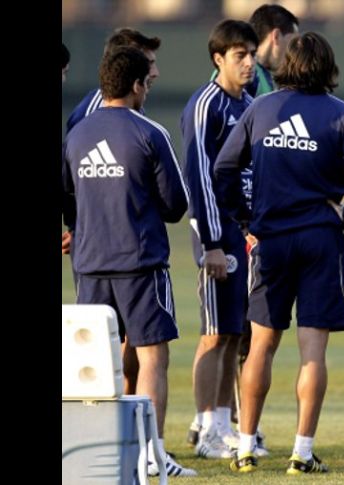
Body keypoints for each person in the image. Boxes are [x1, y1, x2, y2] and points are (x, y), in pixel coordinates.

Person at [214, 32, 344, 475]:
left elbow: (224, 167)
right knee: (313, 353)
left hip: (270, 241)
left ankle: (246, 447)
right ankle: (302, 453)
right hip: (321, 242)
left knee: (260, 348)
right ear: (328, 66)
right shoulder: (341, 113)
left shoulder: (261, 108)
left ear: (287, 64)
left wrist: (244, 217)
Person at [61, 46, 196, 477]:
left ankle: (96, 452)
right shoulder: (149, 132)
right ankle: (154, 455)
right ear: (137, 86)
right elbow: (176, 204)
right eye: (147, 83)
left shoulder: (77, 134)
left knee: (98, 366)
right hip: (140, 264)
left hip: (89, 264)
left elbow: (66, 195)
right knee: (153, 357)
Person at [62, 29, 162, 396]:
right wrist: (75, 224)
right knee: (103, 350)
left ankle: (130, 422)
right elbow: (73, 181)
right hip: (107, 252)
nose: (155, 73)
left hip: (115, 249)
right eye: (148, 64)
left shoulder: (137, 113)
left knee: (132, 343)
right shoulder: (91, 116)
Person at [180, 19, 258, 460]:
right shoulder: (204, 105)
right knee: (213, 332)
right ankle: (205, 425)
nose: (248, 63)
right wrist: (212, 240)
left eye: (251, 54)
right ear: (218, 59)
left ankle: (224, 425)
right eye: (238, 56)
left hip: (242, 232)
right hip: (216, 232)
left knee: (233, 332)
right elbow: (199, 177)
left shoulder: (249, 104)